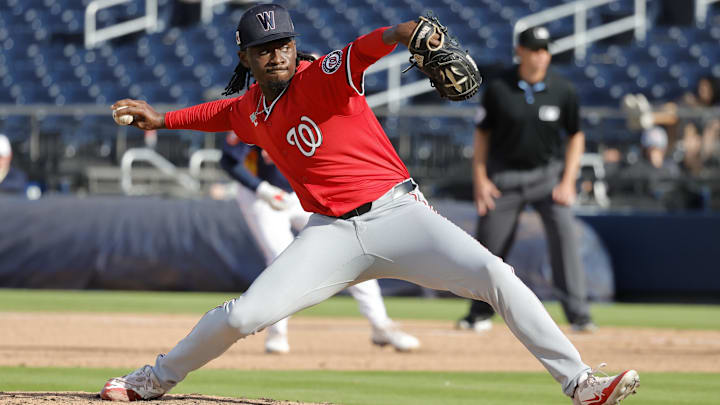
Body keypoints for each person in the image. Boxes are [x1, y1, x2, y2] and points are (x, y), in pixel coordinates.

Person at [100, 5, 639, 404]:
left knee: (495, 274)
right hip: (329, 234)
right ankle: (156, 378)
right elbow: (217, 113)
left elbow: (374, 43)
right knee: (243, 315)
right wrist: (162, 118)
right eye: (264, 48)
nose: (278, 53)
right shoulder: (251, 110)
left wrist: (410, 33)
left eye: (284, 42)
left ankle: (579, 382)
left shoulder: (323, 75)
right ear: (245, 56)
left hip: (399, 216)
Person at [217, 136, 419, 353]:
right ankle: (277, 333)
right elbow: (228, 160)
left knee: (352, 247)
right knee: (280, 257)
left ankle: (381, 325)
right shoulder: (255, 110)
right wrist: (261, 189)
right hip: (262, 195)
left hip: (305, 190)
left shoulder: (312, 110)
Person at [458, 26, 595, 334]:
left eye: (545, 49)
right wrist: (480, 179)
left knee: (565, 238)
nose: (541, 56)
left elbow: (576, 137)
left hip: (547, 177)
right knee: (488, 247)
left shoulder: (563, 90)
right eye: (535, 49)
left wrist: (568, 180)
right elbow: (482, 136)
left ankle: (579, 315)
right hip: (504, 177)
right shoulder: (500, 88)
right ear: (520, 51)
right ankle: (479, 313)